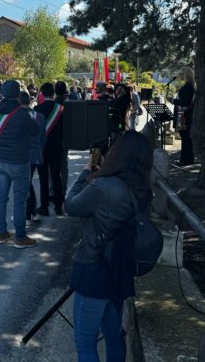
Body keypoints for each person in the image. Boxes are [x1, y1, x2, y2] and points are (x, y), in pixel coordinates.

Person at [65, 131, 153, 362]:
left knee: (85, 344)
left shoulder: (105, 186)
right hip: (120, 270)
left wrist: (86, 172)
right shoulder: (142, 189)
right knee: (114, 335)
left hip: (94, 268)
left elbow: (71, 205)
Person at [0, 80, 41, 248]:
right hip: (19, 161)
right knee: (19, 200)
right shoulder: (22, 113)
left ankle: (2, 233)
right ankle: (20, 237)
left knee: (1, 197)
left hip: (0, 160)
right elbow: (36, 130)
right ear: (18, 94)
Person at [33, 82, 65, 216]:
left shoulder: (36, 109)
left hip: (41, 148)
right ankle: (58, 207)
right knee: (56, 177)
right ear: (53, 93)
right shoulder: (61, 109)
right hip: (57, 148)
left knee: (43, 178)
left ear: (41, 94)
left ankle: (44, 207)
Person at [22, 91, 46, 221]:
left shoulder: (18, 116)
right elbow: (43, 138)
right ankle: (32, 210)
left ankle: (28, 212)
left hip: (24, 155)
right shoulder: (40, 116)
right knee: (28, 182)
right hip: (37, 153)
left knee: (25, 183)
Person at [174, 66, 196, 166]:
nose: (179, 76)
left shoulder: (189, 87)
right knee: (184, 137)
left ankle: (187, 159)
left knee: (186, 137)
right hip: (181, 115)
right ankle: (184, 158)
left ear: (186, 75)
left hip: (184, 115)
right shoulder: (187, 86)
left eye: (181, 74)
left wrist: (174, 101)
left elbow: (186, 102)